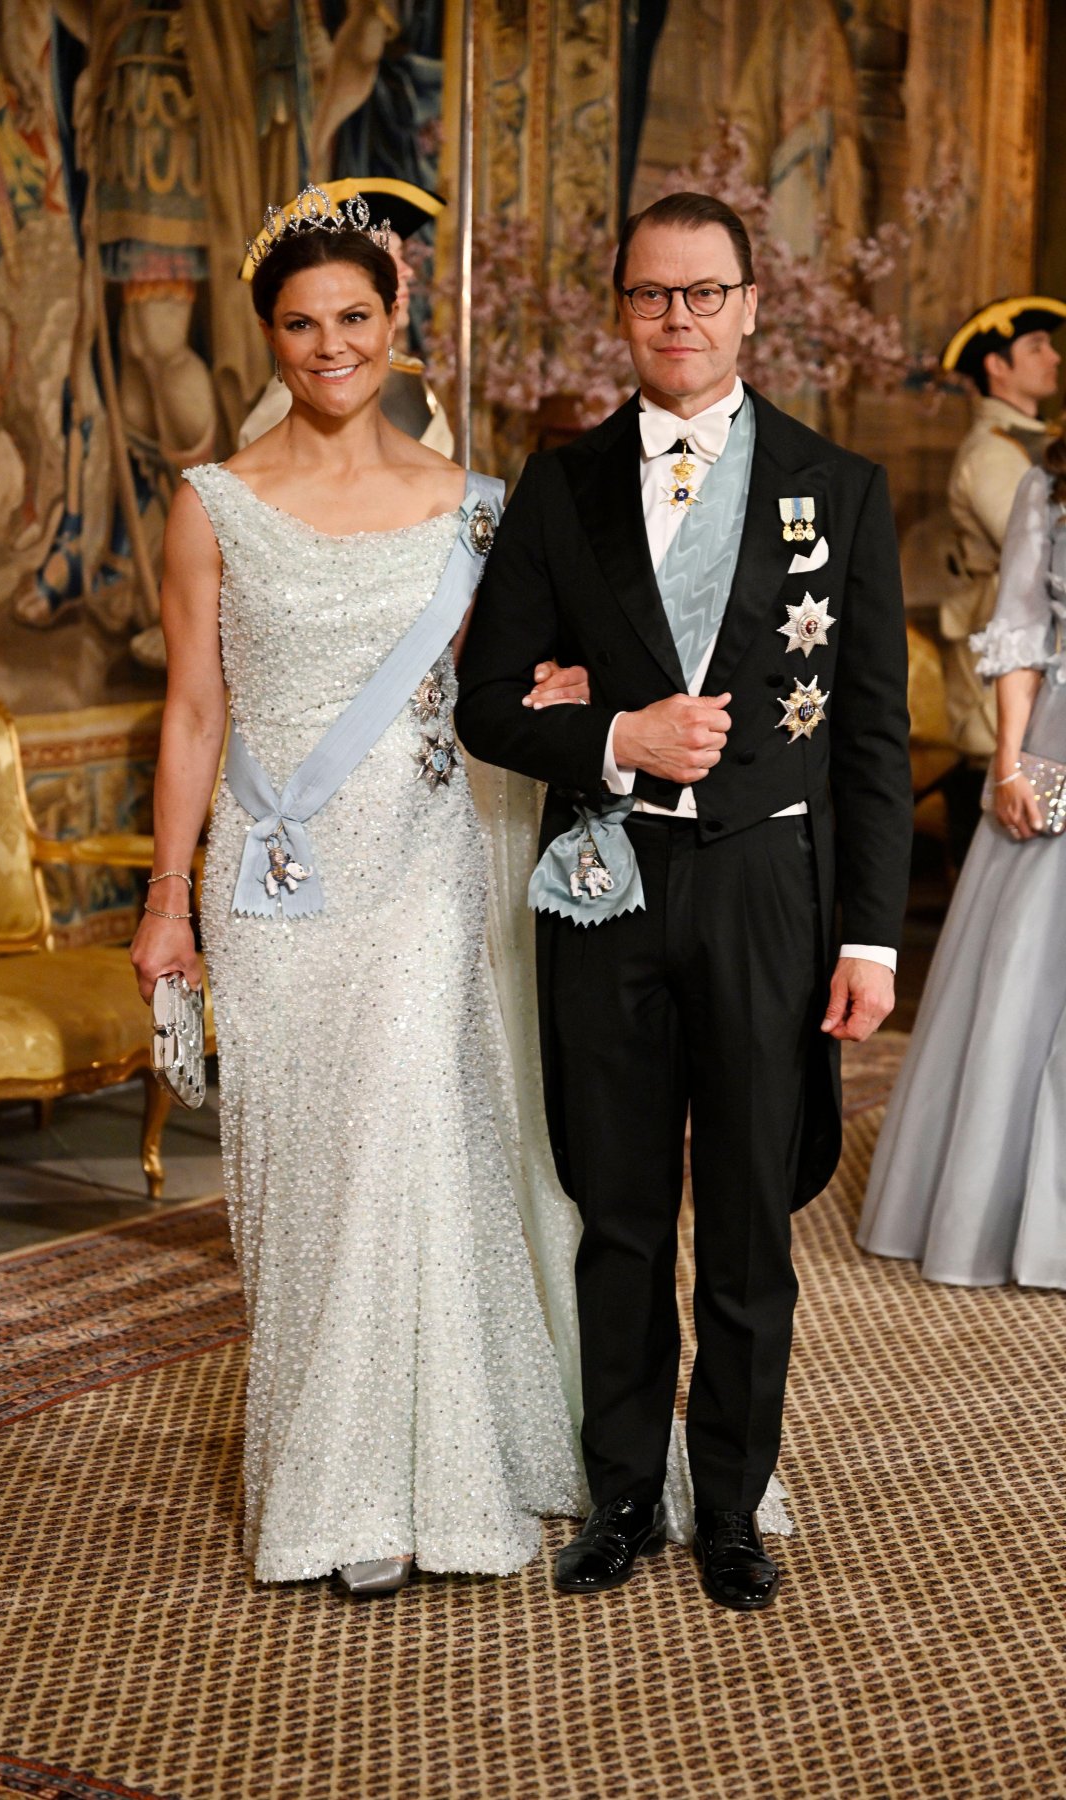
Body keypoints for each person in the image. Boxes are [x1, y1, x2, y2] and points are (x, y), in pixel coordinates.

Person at [128, 185, 593, 1596]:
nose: (329, 346)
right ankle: (338, 1463)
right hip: (270, 889)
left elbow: (510, 695)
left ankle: (398, 1488)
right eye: (299, 324)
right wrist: (165, 903)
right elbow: (194, 714)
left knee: (403, 1125)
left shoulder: (478, 510)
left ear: (399, 329)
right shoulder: (212, 504)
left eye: (355, 319)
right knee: (300, 1173)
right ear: (268, 338)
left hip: (419, 869)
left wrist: (566, 689)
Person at [456, 190, 911, 1611]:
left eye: (706, 293)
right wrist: (615, 738)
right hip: (610, 883)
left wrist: (874, 935)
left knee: (753, 1222)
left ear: (751, 306)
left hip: (772, 888)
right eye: (655, 295)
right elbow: (482, 703)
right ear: (622, 310)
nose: (681, 318)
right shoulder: (559, 485)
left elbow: (876, 739)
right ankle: (621, 1498)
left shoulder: (838, 489)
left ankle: (731, 1507)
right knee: (621, 1207)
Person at [858, 438, 1066, 1291]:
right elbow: (1019, 634)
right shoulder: (1045, 487)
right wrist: (1010, 762)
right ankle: (1008, 1216)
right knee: (1026, 979)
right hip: (1059, 747)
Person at [936, 296, 1066, 864]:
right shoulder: (996, 453)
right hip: (1011, 645)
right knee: (1003, 815)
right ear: (997, 365)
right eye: (1035, 347)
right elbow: (1031, 570)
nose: (1055, 358)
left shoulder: (1034, 441)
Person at [239, 178, 451, 455]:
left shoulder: (406, 375)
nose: (406, 272)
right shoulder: (299, 395)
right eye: (301, 324)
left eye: (353, 318)